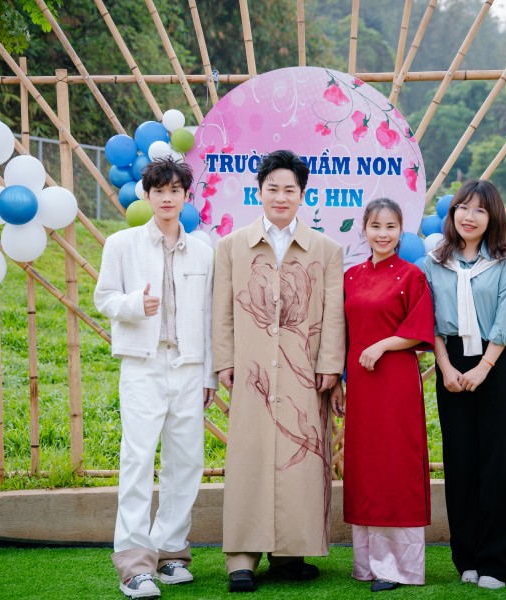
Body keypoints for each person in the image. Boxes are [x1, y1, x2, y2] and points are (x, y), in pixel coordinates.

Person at [212, 149, 345, 592]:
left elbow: (333, 313)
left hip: (304, 371)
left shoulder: (326, 249)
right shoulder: (232, 246)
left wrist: (330, 365)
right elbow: (222, 311)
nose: (281, 197)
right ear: (260, 192)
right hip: (251, 371)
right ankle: (242, 558)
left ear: (302, 195)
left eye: (290, 189)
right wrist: (225, 360)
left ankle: (290, 554)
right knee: (248, 456)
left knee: (300, 456)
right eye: (273, 189)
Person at [94, 158, 217, 599]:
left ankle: (171, 552)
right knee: (138, 460)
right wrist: (133, 305)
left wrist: (209, 375)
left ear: (186, 196)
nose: (167, 198)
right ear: (146, 195)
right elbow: (104, 297)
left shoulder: (203, 250)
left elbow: (208, 316)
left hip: (189, 366)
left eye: (175, 190)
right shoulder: (121, 244)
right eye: (159, 190)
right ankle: (134, 565)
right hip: (142, 364)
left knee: (187, 462)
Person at [421, 179, 506, 590]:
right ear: (452, 214)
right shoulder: (434, 263)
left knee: (499, 464)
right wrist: (445, 367)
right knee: (461, 462)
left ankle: (496, 563)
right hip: (451, 365)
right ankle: (467, 557)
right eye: (462, 208)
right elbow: (430, 321)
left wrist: (484, 367)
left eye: (480, 210)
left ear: (492, 217)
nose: (469, 216)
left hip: (497, 364)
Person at [329, 198, 435, 592]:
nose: (383, 234)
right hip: (360, 386)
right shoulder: (351, 276)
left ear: (401, 230)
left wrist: (383, 345)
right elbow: (340, 334)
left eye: (391, 227)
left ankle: (399, 568)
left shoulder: (412, 276)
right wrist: (337, 381)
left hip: (396, 385)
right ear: (364, 230)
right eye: (376, 226)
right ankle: (368, 564)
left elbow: (421, 329)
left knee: (396, 465)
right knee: (366, 466)